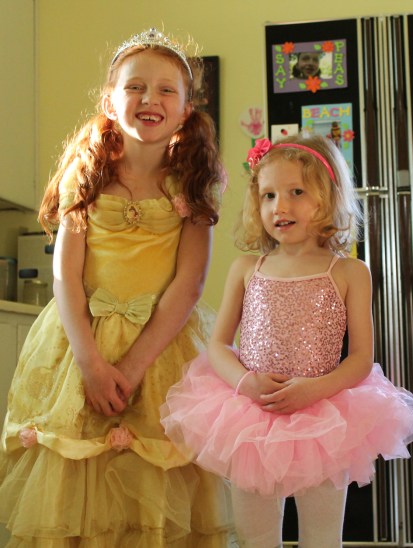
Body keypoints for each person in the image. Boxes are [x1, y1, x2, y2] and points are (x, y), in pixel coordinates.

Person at [0, 28, 234, 546]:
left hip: (161, 348)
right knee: (74, 469)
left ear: (186, 109)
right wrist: (90, 363)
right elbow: (66, 275)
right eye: (135, 87)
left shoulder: (194, 184)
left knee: (156, 473)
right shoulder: (85, 175)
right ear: (110, 100)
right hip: (81, 342)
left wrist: (131, 368)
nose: (150, 99)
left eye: (166, 90)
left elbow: (189, 283)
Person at [161, 134, 413, 548]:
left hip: (324, 419)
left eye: (296, 192)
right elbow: (219, 346)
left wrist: (314, 389)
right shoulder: (247, 268)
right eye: (269, 195)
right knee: (254, 537)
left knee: (322, 538)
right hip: (250, 419)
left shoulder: (350, 272)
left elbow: (361, 358)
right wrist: (247, 383)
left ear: (327, 197)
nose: (280, 206)